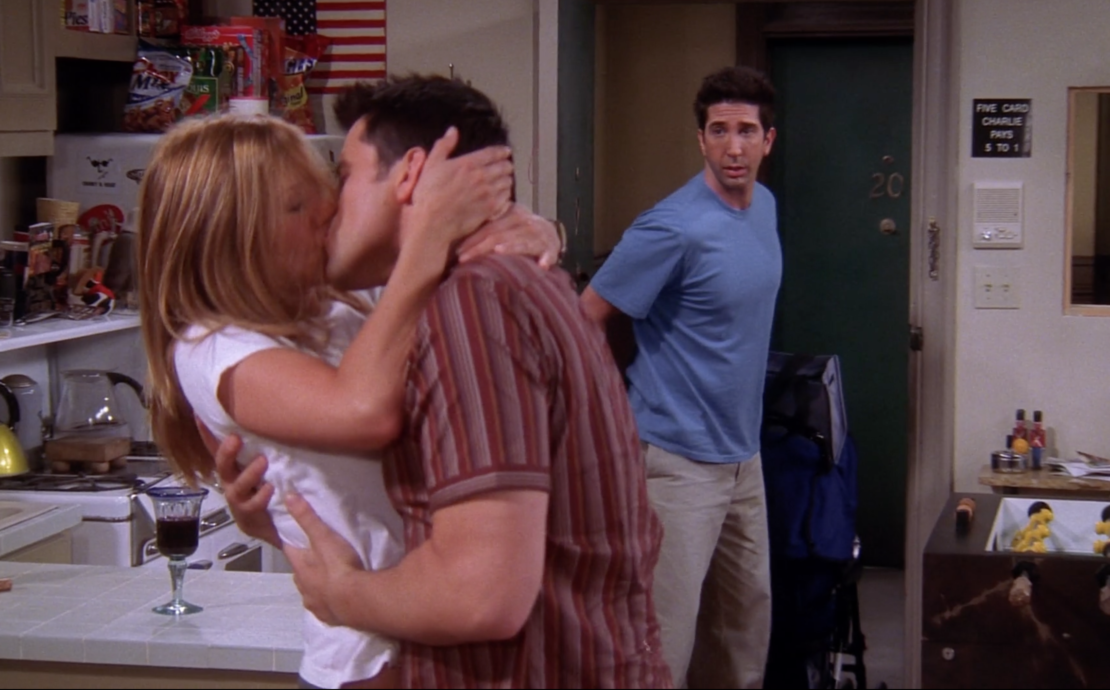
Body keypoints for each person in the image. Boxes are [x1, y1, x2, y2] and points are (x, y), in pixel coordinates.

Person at [214, 74, 673, 689]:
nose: (329, 209)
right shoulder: (504, 281)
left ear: (409, 174)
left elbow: (479, 594)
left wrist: (340, 594)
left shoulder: (474, 304)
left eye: (345, 176)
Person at [136, 113, 560, 689]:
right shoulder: (213, 348)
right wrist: (430, 237)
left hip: (433, 625)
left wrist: (534, 228)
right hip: (367, 658)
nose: (326, 210)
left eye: (325, 188)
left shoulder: (341, 304)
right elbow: (365, 413)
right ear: (228, 240)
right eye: (295, 206)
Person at [579, 65, 782, 689]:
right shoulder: (671, 225)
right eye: (719, 131)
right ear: (701, 139)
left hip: (743, 459)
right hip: (677, 463)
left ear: (768, 140)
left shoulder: (766, 208)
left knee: (742, 641)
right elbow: (585, 318)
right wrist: (612, 417)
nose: (733, 147)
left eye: (746, 132)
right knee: (663, 644)